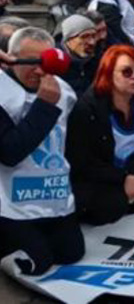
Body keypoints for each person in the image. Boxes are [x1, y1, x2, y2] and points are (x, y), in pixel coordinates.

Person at [0, 27, 84, 275]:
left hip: (53, 196)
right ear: (11, 59)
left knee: (71, 254)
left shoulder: (64, 91)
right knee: (36, 263)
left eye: (45, 63)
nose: (38, 71)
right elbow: (9, 153)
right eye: (30, 62)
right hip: (10, 203)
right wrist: (45, 106)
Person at [66, 45, 134, 225]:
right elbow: (82, 161)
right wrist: (124, 178)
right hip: (101, 177)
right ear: (108, 73)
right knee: (112, 203)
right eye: (127, 72)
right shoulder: (87, 109)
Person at [57, 14, 99, 96]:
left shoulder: (97, 60)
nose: (92, 42)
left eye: (94, 36)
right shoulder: (56, 64)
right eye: (84, 36)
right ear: (69, 39)